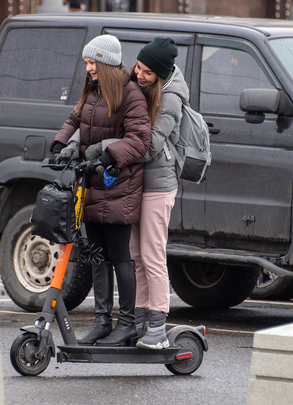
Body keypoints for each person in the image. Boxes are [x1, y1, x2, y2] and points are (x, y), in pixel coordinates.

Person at [50, 34, 151, 346]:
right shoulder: (93, 92)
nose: (88, 67)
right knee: (95, 255)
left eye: (92, 62)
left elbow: (139, 140)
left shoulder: (130, 94)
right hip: (91, 185)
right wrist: (60, 145)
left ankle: (128, 324)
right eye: (87, 62)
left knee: (121, 256)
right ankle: (102, 321)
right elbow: (75, 119)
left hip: (119, 185)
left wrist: (107, 156)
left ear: (106, 62)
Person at [128, 37, 186, 350]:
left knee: (152, 255)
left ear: (162, 74)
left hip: (159, 184)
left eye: (148, 72)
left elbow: (149, 145)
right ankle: (139, 320)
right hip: (137, 181)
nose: (140, 74)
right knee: (136, 255)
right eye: (138, 67)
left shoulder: (172, 98)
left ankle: (157, 324)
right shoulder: (140, 84)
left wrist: (114, 152)